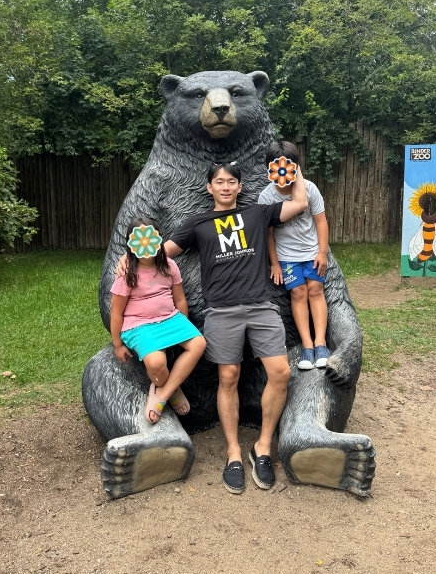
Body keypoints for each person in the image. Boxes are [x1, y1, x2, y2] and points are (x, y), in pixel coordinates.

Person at [118, 160, 311, 494]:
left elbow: (301, 202)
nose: (225, 186)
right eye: (219, 182)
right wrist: (130, 255)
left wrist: (292, 167)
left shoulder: (258, 213)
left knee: (281, 373)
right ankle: (233, 452)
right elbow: (161, 253)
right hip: (221, 311)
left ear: (239, 186)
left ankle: (263, 447)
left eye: (231, 181)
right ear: (209, 187)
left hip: (261, 306)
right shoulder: (197, 223)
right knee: (228, 376)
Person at [110, 216, 207, 424]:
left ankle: (162, 394)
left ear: (158, 239)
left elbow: (179, 299)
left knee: (199, 343)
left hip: (170, 319)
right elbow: (116, 312)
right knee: (156, 363)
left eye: (151, 238)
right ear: (131, 244)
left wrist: (183, 325)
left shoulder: (169, 266)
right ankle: (172, 389)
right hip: (139, 325)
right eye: (140, 240)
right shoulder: (127, 273)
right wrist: (118, 344)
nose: (146, 245)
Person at [258, 141, 331, 370]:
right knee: (298, 294)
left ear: (296, 167)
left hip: (311, 252)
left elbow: (321, 221)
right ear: (270, 168)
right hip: (287, 256)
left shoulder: (310, 188)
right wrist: (274, 263)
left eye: (290, 165)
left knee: (315, 290)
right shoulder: (266, 197)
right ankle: (307, 346)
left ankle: (321, 343)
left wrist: (322, 252)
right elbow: (268, 234)